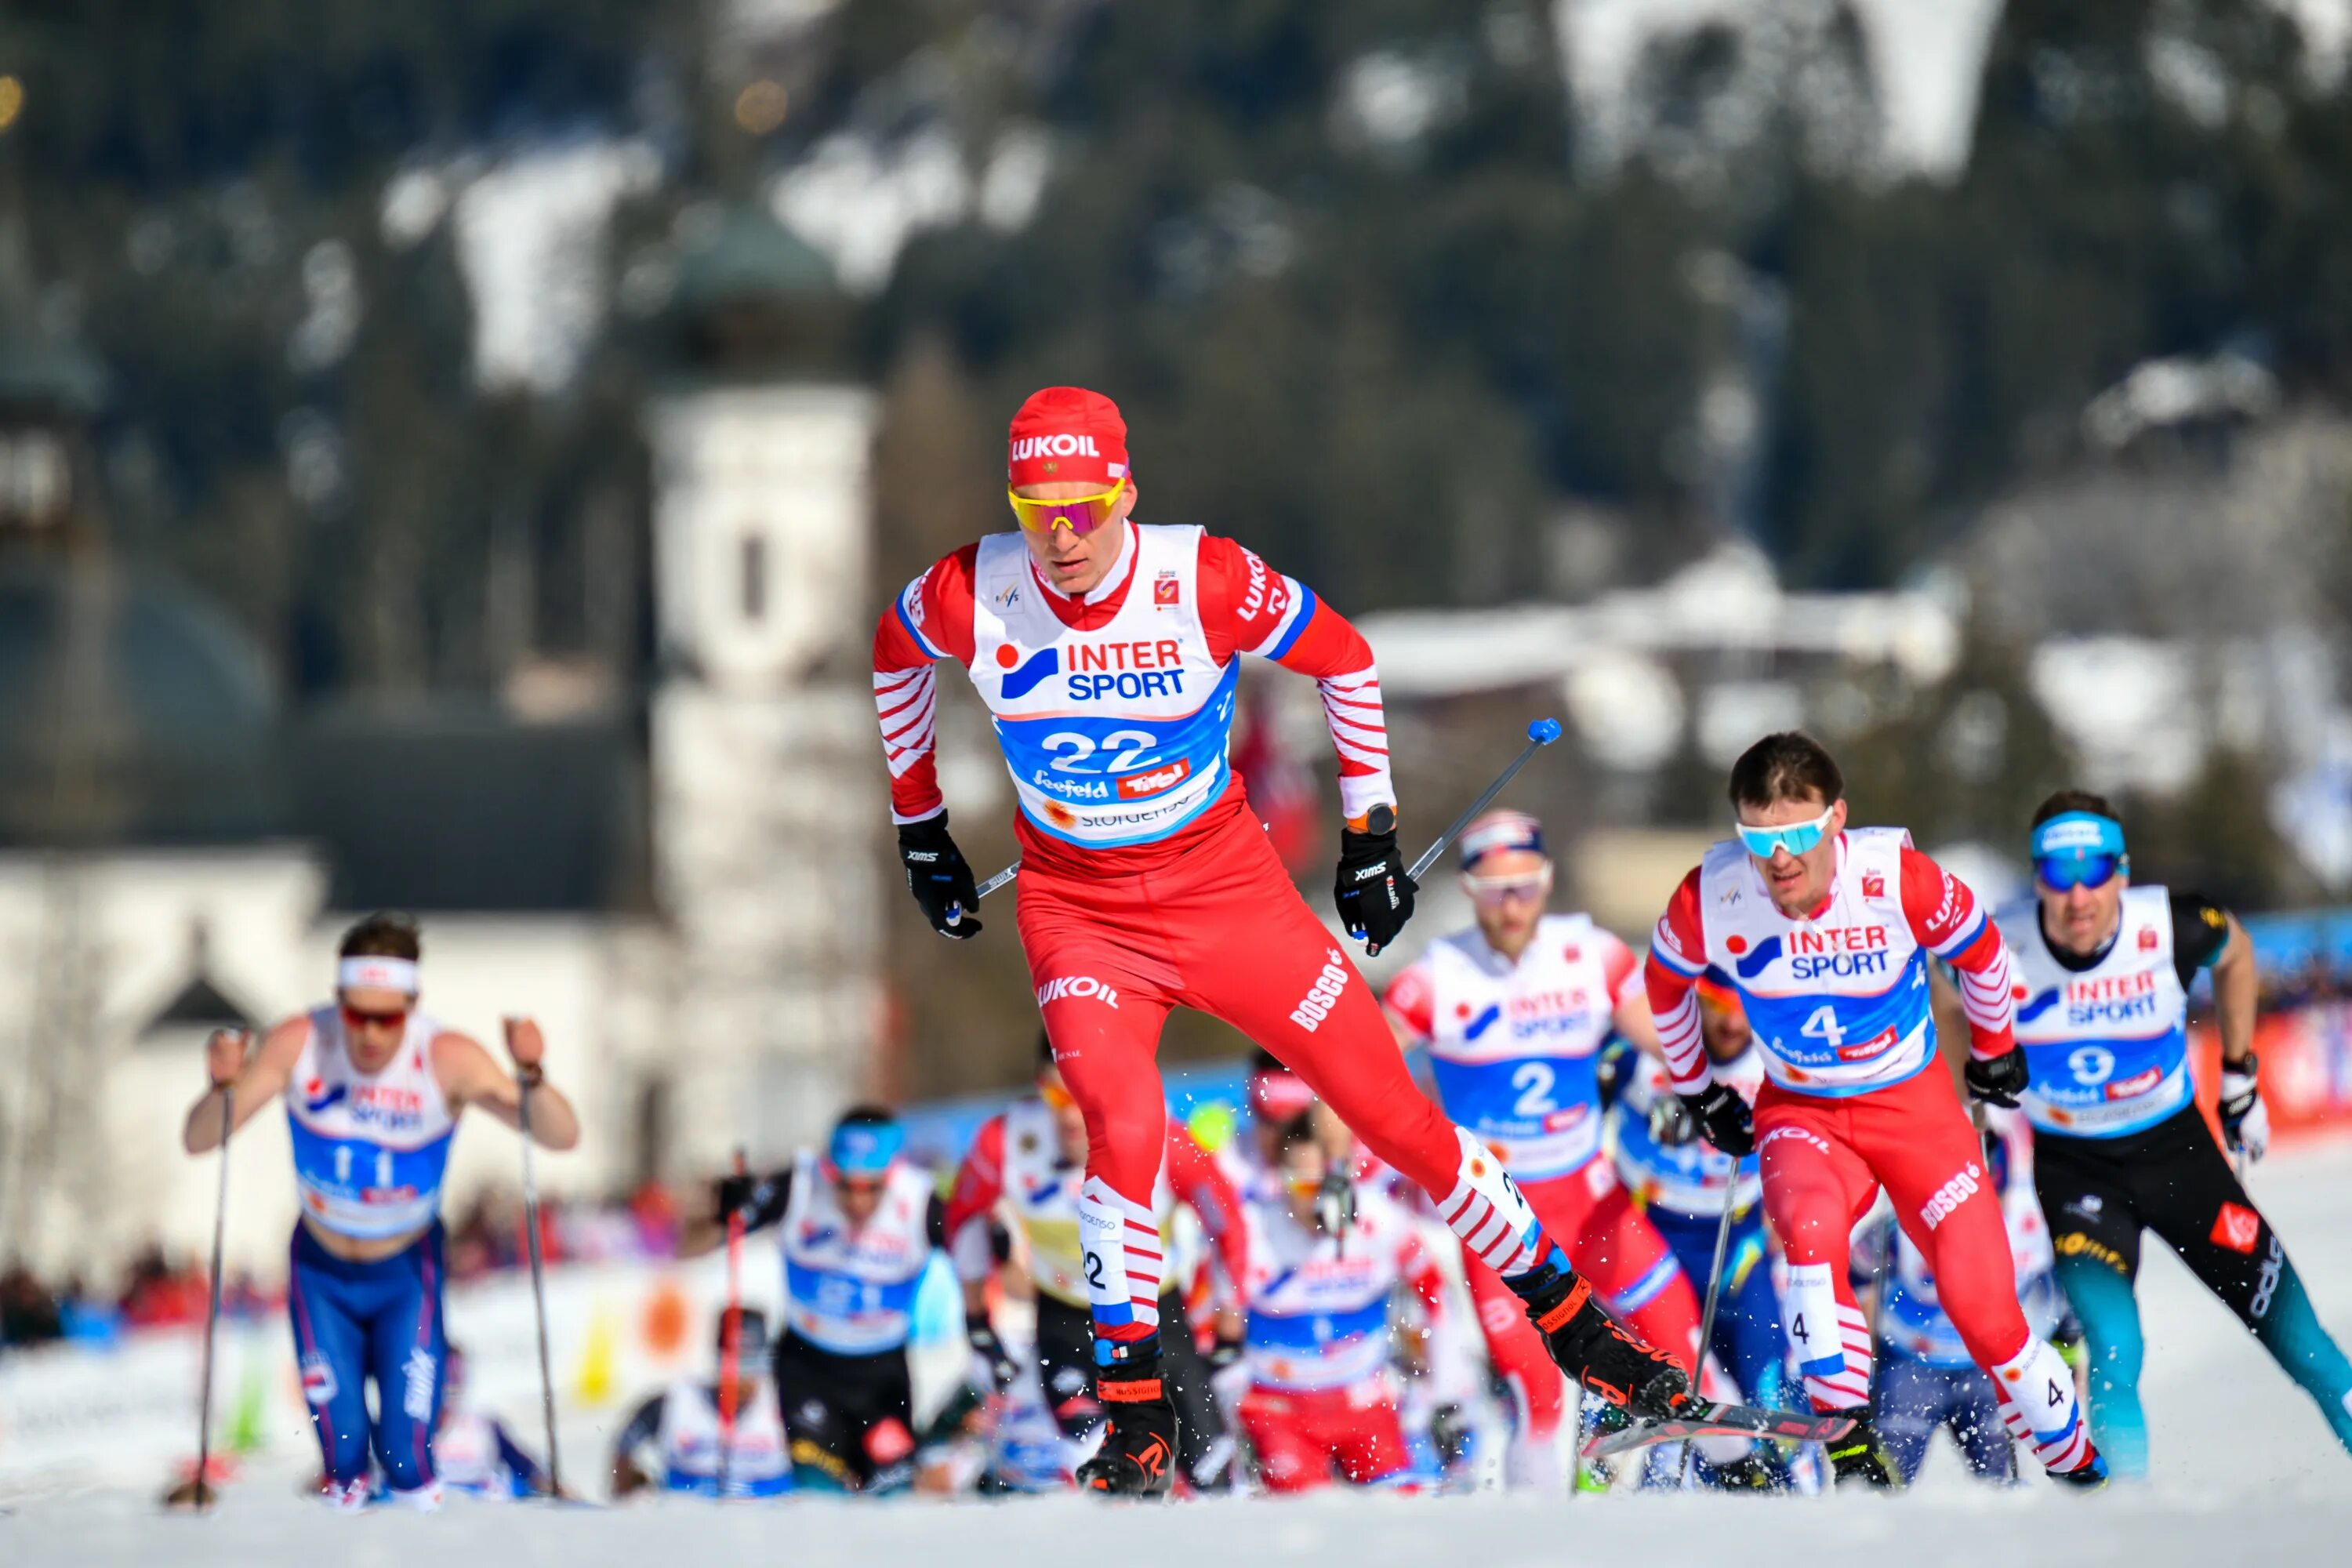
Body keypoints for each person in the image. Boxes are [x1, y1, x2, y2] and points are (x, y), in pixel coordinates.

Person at [872, 387, 1688, 1491]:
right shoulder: (978, 589)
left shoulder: (1198, 578)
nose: (1060, 536)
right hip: (1083, 916)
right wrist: (921, 827)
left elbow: (1343, 657)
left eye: (1083, 505)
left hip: (1229, 901)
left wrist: (1370, 838)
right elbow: (892, 652)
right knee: (1120, 1122)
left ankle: (1582, 1331)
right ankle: (1137, 1414)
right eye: (1035, 506)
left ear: (1127, 492)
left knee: (1392, 1117)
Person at [1642, 733, 2104, 1489]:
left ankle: (2084, 1474)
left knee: (1990, 1321)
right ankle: (1855, 1457)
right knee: (1810, 1242)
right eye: (1759, 837)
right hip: (1805, 1115)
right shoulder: (1713, 895)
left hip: (1916, 1114)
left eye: (1798, 833)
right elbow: (1663, 989)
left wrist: (1993, 1050)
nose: (1780, 857)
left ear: (1837, 821)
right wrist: (1699, 1088)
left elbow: (1984, 953)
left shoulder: (1896, 878)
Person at [1998, 790, 2352, 1475]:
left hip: (2178, 1157)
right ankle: (2130, 1528)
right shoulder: (1997, 945)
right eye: (2057, 876)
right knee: (2115, 1346)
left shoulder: (2171, 924)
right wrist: (1977, 1090)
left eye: (2094, 873)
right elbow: (1946, 1000)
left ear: (2121, 873)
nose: (2077, 898)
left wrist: (2241, 1075)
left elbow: (2238, 954)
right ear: (2038, 878)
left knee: (2302, 1342)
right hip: (2076, 1174)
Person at [180, 912, 580, 1511]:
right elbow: (202, 1138)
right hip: (322, 1274)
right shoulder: (300, 1042)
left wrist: (532, 1076)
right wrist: (222, 1089)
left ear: (412, 1005)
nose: (369, 1035)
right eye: (356, 1014)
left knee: (405, 1457)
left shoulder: (446, 1056)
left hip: (404, 1275)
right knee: (344, 1463)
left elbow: (558, 1135)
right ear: (337, 1000)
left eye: (387, 1018)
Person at [1381, 809, 1715, 1490]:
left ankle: (1753, 1490)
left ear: (1548, 881)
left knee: (1691, 1362)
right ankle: (1541, 1537)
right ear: (1470, 890)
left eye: (1526, 886)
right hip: (1498, 1225)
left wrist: (1715, 1094)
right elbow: (1359, 1075)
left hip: (1595, 1206)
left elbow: (1677, 1047)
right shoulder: (1437, 976)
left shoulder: (1593, 952)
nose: (1512, 904)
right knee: (1545, 1400)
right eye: (1495, 889)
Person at [945, 1033, 1247, 1491]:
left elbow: (1227, 1224)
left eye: (1082, 1097)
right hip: (1066, 1323)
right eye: (1055, 1094)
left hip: (1155, 1319)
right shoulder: (1006, 1141)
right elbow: (963, 1221)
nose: (1069, 1113)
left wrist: (1229, 1329)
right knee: (1097, 1468)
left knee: (1214, 1477)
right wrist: (977, 1322)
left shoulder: (1161, 1135)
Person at [693, 1107, 946, 1494]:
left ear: (893, 1173)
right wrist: (720, 1212)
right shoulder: (797, 1185)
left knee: (892, 1496)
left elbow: (986, 1265)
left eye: (872, 1187)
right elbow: (692, 1246)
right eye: (845, 1185)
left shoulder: (921, 1201)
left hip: (883, 1377)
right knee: (818, 1492)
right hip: (808, 1369)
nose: (857, 1201)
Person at [1607, 979, 1791, 1488]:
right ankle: (1656, 1502)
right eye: (1718, 1009)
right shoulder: (1643, 1053)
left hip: (1739, 1246)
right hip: (1651, 1238)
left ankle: (1794, 1500)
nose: (1733, 1025)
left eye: (1744, 1011)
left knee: (1768, 1392)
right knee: (1673, 1387)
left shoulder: (1777, 1058)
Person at [1232, 1116, 1444, 1493]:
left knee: (1406, 1515)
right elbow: (1211, 1335)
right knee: (1304, 1521)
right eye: (1305, 1184)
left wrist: (1440, 1389)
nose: (1320, 1199)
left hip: (1366, 1406)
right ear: (1280, 1182)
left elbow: (1439, 1297)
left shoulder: (1381, 1219)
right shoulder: (1249, 1233)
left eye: (1332, 1183)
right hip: (1281, 1412)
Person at [1862, 1110, 2069, 1486]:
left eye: (1994, 1189)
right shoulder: (1906, 1223)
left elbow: (2063, 1294)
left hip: (1986, 1369)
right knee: (1885, 1484)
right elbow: (1855, 1271)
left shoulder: (2032, 1224)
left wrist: (2063, 1356)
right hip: (1912, 1361)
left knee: (2001, 1486)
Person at [612, 1308, 791, 1498]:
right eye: (733, 1368)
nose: (741, 1381)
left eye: (753, 1367)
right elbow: (625, 1444)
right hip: (687, 1519)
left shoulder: (784, 1406)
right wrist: (630, 1484)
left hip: (765, 1522)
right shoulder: (678, 1402)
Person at [434, 1344, 551, 1500]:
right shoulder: (408, 1430)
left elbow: (529, 1471)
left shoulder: (484, 1426)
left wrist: (555, 1488)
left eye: (457, 1378)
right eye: (447, 1378)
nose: (452, 1386)